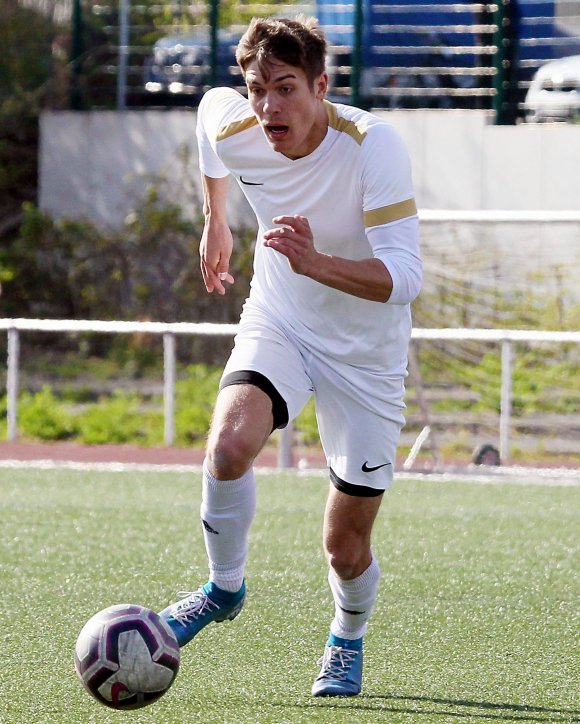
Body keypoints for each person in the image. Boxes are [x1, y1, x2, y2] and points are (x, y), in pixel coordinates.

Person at [160, 15, 422, 697]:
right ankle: (222, 589)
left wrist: (315, 262)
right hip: (281, 321)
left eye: (285, 88)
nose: (269, 106)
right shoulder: (237, 125)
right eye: (256, 89)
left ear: (320, 86)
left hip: (367, 357)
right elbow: (206, 124)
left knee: (345, 546)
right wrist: (215, 218)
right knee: (227, 446)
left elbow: (405, 279)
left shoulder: (372, 146)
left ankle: (346, 638)